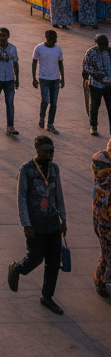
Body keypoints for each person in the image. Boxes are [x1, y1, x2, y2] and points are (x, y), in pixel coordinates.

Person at [8, 135, 68, 314]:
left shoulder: (54, 169)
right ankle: (17, 268)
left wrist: (63, 219)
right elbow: (21, 199)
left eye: (52, 151)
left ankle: (47, 296)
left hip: (52, 223)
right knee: (35, 257)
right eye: (46, 151)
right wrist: (26, 224)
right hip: (35, 224)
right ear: (37, 150)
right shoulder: (26, 170)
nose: (50, 154)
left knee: (53, 260)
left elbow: (59, 195)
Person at [32, 29, 65, 134]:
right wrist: (34, 77)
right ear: (46, 39)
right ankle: (42, 117)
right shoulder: (39, 48)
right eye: (50, 39)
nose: (52, 41)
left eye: (54, 39)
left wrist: (62, 77)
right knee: (45, 100)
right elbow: (34, 63)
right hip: (43, 79)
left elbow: (60, 64)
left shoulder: (58, 49)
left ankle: (50, 124)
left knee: (54, 103)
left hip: (55, 79)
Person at [91, 137, 111, 298]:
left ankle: (101, 281)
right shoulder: (106, 177)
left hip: (102, 220)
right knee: (107, 255)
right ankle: (101, 282)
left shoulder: (102, 176)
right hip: (106, 222)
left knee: (106, 254)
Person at [84, 34, 111, 137]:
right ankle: (93, 126)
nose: (103, 47)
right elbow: (87, 67)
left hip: (109, 84)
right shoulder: (90, 52)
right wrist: (98, 74)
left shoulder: (110, 51)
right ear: (97, 43)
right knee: (95, 106)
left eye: (105, 44)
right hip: (96, 84)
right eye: (101, 45)